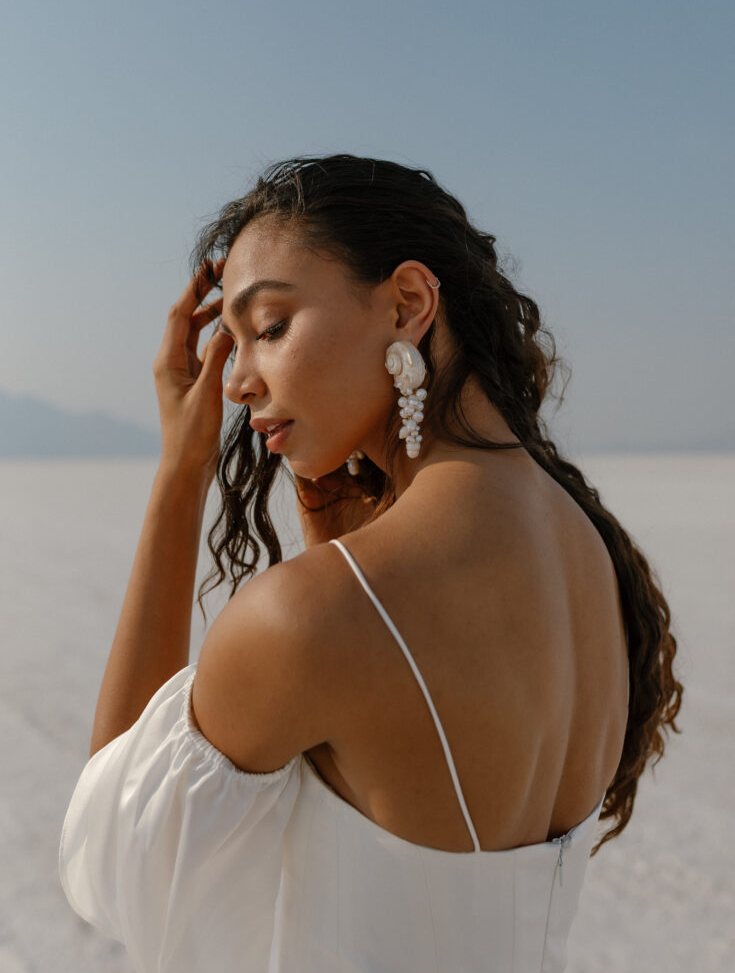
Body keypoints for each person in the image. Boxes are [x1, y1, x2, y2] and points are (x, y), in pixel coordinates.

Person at [59, 154, 683, 972]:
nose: (238, 382)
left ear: (408, 304)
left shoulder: (313, 616)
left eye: (271, 327)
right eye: (230, 342)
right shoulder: (590, 552)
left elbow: (113, 861)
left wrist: (181, 476)